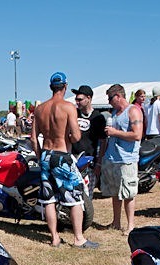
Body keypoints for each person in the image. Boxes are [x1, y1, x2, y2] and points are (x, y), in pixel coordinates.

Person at [31, 72, 98, 249]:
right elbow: (76, 136)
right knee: (75, 197)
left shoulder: (40, 109)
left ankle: (54, 238)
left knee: (49, 199)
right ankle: (78, 238)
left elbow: (32, 138)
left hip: (46, 154)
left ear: (50, 87)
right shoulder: (68, 107)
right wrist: (68, 135)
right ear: (65, 87)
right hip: (61, 154)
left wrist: (40, 157)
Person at [101, 83, 142, 235]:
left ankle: (130, 225)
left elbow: (137, 135)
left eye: (110, 98)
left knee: (128, 193)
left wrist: (115, 132)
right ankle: (116, 222)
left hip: (127, 159)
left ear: (118, 96)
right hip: (112, 158)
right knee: (115, 192)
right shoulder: (115, 113)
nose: (109, 101)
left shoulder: (133, 111)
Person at [70, 84, 106, 165]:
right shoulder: (73, 114)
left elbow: (103, 141)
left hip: (89, 160)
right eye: (76, 99)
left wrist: (99, 163)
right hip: (73, 158)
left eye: (80, 100)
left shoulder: (98, 117)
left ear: (88, 98)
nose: (77, 102)